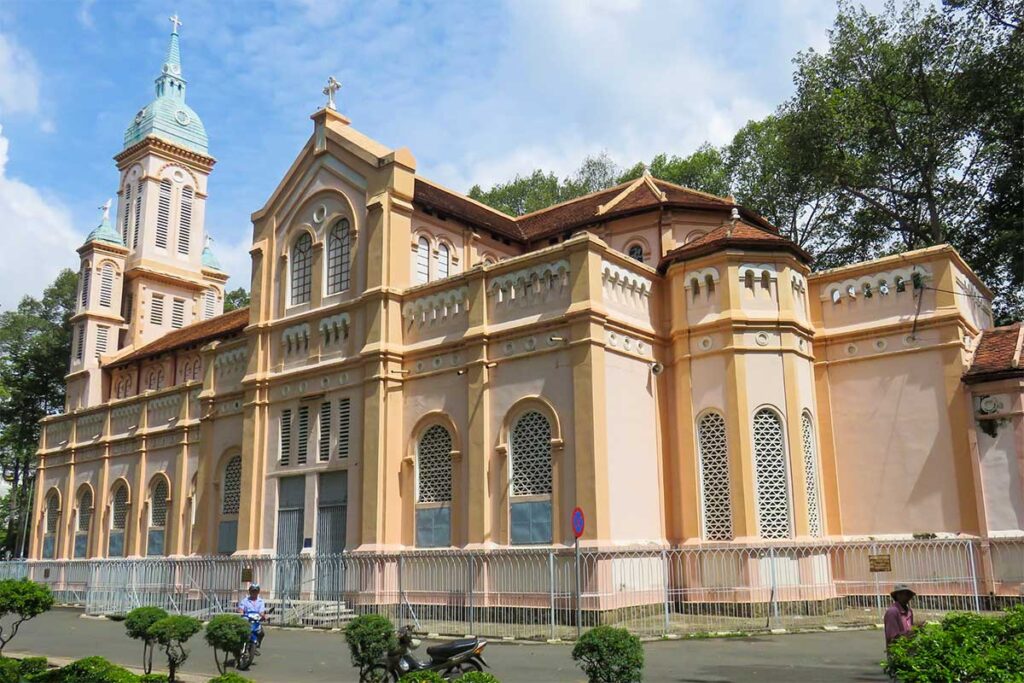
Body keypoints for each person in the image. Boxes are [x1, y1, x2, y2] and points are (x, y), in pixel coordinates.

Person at [884, 583, 915, 649]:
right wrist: (912, 631)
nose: (907, 597)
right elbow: (893, 638)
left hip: (909, 651)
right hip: (898, 653)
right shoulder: (892, 612)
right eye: (904, 594)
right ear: (897, 595)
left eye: (908, 594)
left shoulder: (909, 611)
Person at [238, 583, 267, 651]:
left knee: (261, 633)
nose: (254, 593)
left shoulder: (261, 601)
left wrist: (263, 616)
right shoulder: (245, 600)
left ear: (258, 592)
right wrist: (241, 613)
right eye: (253, 591)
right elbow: (241, 609)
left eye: (256, 591)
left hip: (256, 620)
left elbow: (261, 612)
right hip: (246, 620)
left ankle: (257, 645)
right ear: (250, 591)